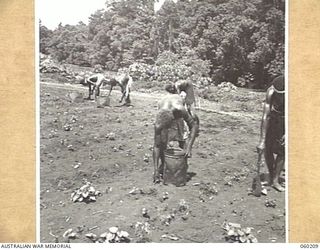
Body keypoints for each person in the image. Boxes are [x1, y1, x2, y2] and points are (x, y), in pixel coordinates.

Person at [153, 94, 199, 184]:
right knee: (161, 141)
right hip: (164, 110)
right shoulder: (159, 121)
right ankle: (162, 167)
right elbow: (156, 145)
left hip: (178, 110)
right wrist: (155, 170)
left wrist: (189, 147)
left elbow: (194, 126)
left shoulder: (180, 110)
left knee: (182, 137)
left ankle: (182, 165)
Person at [257, 75, 285, 192]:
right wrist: (262, 141)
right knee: (267, 148)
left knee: (283, 149)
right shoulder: (270, 92)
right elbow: (265, 116)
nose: (279, 96)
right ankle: (271, 174)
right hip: (273, 119)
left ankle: (275, 180)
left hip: (286, 119)